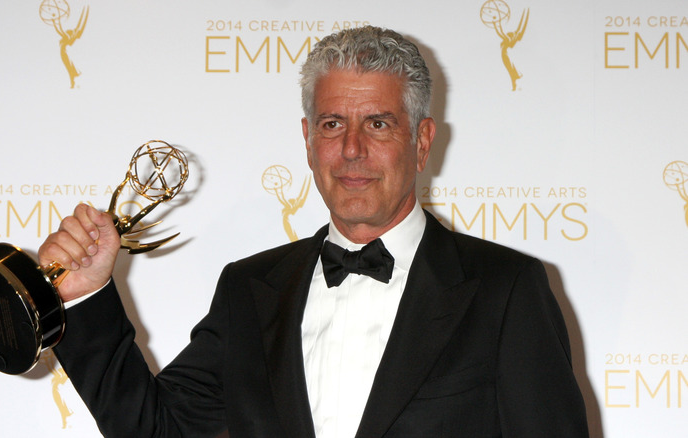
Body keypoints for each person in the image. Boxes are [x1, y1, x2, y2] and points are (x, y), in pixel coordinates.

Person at [39, 26, 589, 437]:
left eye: (378, 123)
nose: (352, 149)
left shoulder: (505, 289)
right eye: (332, 125)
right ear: (307, 140)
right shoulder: (249, 290)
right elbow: (157, 430)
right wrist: (86, 296)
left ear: (422, 141)